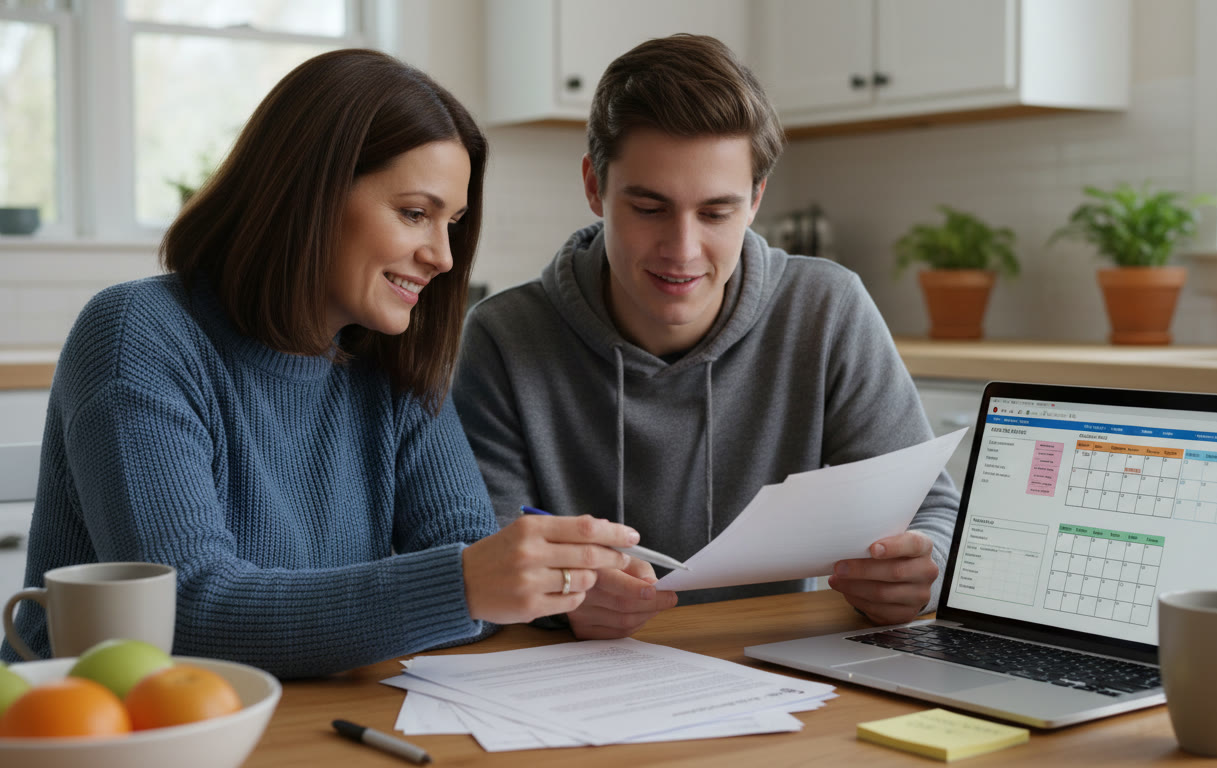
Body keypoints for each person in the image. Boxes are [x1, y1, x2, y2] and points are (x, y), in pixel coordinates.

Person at [2, 49, 640, 677]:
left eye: (453, 222)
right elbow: (184, 613)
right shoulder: (140, 334)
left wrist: (556, 582)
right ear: (306, 193)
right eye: (415, 214)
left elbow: (466, 558)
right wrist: (466, 584)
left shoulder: (389, 357)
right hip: (100, 726)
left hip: (298, 711)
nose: (443, 257)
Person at [453, 34, 961, 641]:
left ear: (756, 199)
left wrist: (919, 572)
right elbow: (480, 555)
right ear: (595, 187)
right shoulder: (504, 337)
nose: (683, 250)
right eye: (649, 208)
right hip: (572, 685)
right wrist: (560, 599)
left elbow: (935, 518)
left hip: (770, 672)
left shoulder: (826, 310)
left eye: (716, 213)